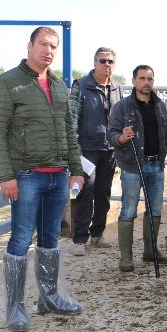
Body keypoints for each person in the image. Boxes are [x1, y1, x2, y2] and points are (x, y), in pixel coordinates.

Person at [0, 26, 85, 332]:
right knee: (20, 239)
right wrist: (6, 175)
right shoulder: (6, 83)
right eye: (42, 44)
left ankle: (49, 297)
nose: (48, 50)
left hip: (58, 175)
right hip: (26, 175)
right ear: (29, 46)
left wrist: (77, 170)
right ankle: (15, 308)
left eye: (53, 46)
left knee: (50, 239)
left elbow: (69, 132)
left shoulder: (58, 85)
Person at [107, 65, 167, 272]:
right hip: (133, 166)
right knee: (129, 210)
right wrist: (122, 138)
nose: (146, 82)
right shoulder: (122, 107)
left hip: (156, 165)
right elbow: (111, 135)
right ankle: (126, 258)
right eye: (142, 78)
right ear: (134, 81)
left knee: (155, 210)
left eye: (150, 79)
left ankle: (150, 252)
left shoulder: (159, 106)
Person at [69, 47, 123, 256]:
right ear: (94, 63)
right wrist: (76, 148)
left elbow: (120, 117)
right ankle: (80, 239)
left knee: (104, 193)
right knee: (85, 192)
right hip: (88, 150)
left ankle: (97, 234)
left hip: (110, 149)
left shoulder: (117, 88)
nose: (106, 65)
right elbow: (72, 118)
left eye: (110, 61)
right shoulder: (81, 86)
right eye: (102, 61)